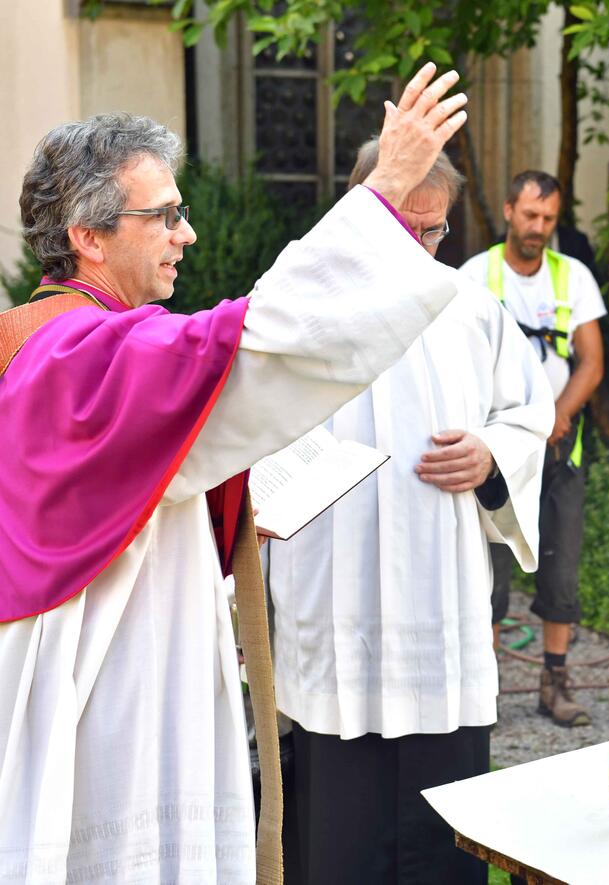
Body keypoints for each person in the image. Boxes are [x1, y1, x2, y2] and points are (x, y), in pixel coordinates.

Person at [0, 64, 468, 883]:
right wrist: (385, 191)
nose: (186, 233)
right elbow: (268, 340)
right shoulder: (81, 352)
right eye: (166, 214)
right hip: (111, 696)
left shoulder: (54, 341)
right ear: (89, 235)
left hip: (118, 659)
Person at [267, 143, 552, 885]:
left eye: (435, 230)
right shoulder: (303, 303)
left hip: (439, 599)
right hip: (336, 593)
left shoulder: (470, 309)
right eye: (403, 222)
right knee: (338, 838)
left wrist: (491, 453)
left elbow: (531, 410)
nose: (420, 245)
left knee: (443, 840)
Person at [459, 171, 606, 727]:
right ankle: (487, 687)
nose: (538, 228)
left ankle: (555, 680)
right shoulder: (478, 274)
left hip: (559, 447)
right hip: (496, 449)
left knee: (561, 567)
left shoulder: (574, 278)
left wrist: (559, 414)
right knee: (490, 567)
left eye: (548, 218)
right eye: (529, 216)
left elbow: (591, 359)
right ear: (508, 211)